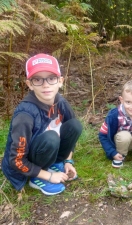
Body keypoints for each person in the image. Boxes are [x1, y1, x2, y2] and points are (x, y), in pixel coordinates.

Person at [1, 53, 83, 196]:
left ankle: (56, 163)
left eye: (51, 78)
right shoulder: (25, 115)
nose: (46, 85)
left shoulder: (60, 102)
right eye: (37, 79)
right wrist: (49, 176)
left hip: (46, 150)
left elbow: (71, 132)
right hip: (25, 164)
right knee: (51, 137)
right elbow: (17, 161)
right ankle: (37, 177)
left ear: (60, 81)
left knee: (75, 125)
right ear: (29, 84)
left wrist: (68, 161)